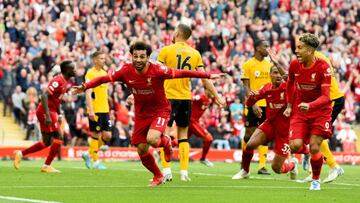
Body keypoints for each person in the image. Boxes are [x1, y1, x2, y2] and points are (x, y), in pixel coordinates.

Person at [71, 41, 223, 187]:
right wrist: (85, 86)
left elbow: (182, 72)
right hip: (141, 113)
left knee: (152, 139)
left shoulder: (158, 70)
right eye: (135, 56)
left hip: (160, 110)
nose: (138, 59)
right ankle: (158, 175)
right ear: (131, 56)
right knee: (141, 149)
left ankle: (166, 143)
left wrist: (208, 76)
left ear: (148, 57)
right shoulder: (125, 70)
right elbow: (105, 78)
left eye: (142, 56)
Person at [157, 23, 225, 181]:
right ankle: (184, 173)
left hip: (168, 96)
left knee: (165, 133)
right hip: (185, 97)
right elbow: (204, 79)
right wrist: (218, 96)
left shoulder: (166, 50)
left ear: (178, 33)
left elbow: (156, 74)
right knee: (183, 136)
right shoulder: (195, 54)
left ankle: (166, 170)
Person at [284, 33, 332, 190]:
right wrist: (290, 105)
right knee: (295, 146)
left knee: (315, 146)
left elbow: (326, 97)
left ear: (310, 50)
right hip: (300, 110)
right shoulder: (294, 65)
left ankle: (315, 180)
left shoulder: (324, 67)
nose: (296, 50)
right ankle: (307, 155)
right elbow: (290, 83)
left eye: (300, 48)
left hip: (320, 111)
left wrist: (311, 105)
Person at [232, 66, 298, 180]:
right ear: (270, 75)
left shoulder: (288, 88)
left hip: (285, 131)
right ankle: (245, 171)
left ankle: (292, 165)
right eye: (275, 73)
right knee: (249, 145)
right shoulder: (266, 88)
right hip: (270, 124)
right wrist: (252, 98)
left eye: (279, 73)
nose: (278, 75)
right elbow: (248, 103)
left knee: (276, 168)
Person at [13, 61, 76, 173]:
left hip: (50, 111)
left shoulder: (66, 82)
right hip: (45, 111)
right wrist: (47, 115)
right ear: (67, 70)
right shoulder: (58, 81)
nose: (75, 70)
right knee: (59, 137)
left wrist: (59, 114)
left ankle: (20, 154)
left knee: (46, 142)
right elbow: (44, 95)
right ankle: (46, 165)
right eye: (73, 68)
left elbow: (57, 100)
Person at [300, 51, 345, 183]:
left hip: (332, 100)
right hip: (321, 102)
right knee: (312, 133)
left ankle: (333, 166)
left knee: (317, 134)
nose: (297, 50)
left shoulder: (320, 60)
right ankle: (314, 171)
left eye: (300, 46)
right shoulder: (309, 59)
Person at [240, 39, 273, 175]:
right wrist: (253, 103)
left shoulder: (270, 65)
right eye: (266, 46)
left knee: (265, 135)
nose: (268, 49)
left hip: (268, 105)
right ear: (258, 48)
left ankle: (262, 166)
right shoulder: (248, 64)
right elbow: (246, 87)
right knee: (249, 134)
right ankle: (244, 163)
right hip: (253, 104)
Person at [81, 51, 111, 170]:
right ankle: (96, 161)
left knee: (107, 135)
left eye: (104, 58)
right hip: (96, 109)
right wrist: (91, 111)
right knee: (95, 134)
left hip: (105, 109)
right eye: (101, 58)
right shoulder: (90, 73)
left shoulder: (104, 73)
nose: (104, 60)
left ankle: (88, 153)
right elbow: (88, 93)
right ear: (95, 60)